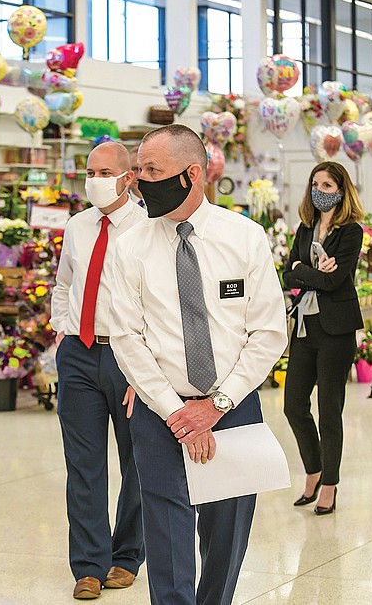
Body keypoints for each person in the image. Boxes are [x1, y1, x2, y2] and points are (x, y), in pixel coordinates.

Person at [109, 124, 287, 605]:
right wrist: (176, 411)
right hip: (159, 413)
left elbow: (269, 332)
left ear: (191, 174)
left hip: (233, 409)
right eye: (138, 169)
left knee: (227, 533)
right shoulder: (130, 247)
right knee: (166, 536)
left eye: (151, 170)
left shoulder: (244, 237)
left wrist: (216, 405)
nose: (139, 181)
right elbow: (127, 338)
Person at [50, 141, 146, 600]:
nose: (95, 180)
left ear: (129, 177)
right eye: (90, 171)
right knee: (83, 465)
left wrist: (147, 365)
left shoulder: (149, 226)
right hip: (79, 353)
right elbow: (64, 283)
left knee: (137, 461)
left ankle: (127, 556)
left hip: (129, 357)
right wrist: (60, 330)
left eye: (106, 172)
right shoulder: (77, 225)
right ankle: (89, 564)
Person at [283, 161, 364, 515]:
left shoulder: (351, 232)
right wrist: (306, 271)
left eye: (328, 185)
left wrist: (305, 272)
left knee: (330, 410)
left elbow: (333, 282)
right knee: (293, 405)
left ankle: (329, 483)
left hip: (336, 330)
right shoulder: (304, 228)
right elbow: (288, 275)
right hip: (305, 328)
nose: (320, 190)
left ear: (341, 191)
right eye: (316, 183)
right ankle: (313, 469)